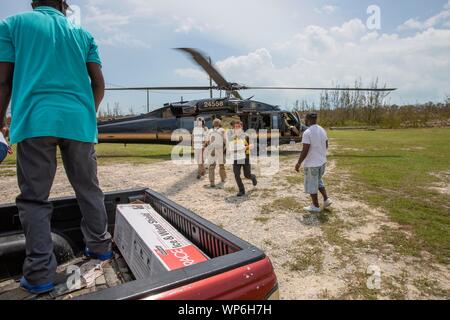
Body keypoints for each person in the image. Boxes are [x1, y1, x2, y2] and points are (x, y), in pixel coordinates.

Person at [0, 0, 111, 294]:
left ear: (33, 1)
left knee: (35, 199)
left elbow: (3, 81)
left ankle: (39, 274)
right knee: (89, 189)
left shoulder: (12, 25)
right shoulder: (83, 34)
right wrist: (87, 114)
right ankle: (100, 248)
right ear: (64, 4)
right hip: (79, 123)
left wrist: (0, 122)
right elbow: (98, 83)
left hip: (35, 120)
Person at [295, 113, 332, 213]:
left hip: (312, 164)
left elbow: (305, 150)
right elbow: (326, 144)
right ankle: (326, 199)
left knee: (312, 184)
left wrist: (298, 163)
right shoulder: (322, 129)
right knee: (318, 180)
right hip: (322, 162)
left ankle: (315, 206)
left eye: (305, 119)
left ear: (308, 120)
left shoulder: (307, 132)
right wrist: (321, 154)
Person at [229, 120, 257, 197]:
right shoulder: (232, 137)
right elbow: (230, 147)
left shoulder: (246, 136)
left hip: (246, 157)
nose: (237, 128)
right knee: (236, 174)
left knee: (247, 175)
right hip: (236, 158)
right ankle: (242, 190)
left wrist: (245, 147)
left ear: (241, 127)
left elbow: (252, 145)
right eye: (235, 127)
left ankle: (253, 177)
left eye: (238, 126)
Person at [205, 118, 227, 188]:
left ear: (213, 124)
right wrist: (225, 149)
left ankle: (212, 182)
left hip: (212, 149)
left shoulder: (210, 131)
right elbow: (225, 140)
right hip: (220, 149)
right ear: (219, 124)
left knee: (211, 166)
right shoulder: (222, 130)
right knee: (221, 165)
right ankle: (223, 179)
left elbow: (207, 141)